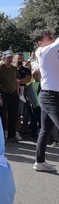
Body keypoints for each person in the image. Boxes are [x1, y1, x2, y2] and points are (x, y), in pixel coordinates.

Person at [32, 29, 59, 172]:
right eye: (50, 37)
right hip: (50, 96)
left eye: (54, 36)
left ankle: (40, 162)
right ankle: (39, 161)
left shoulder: (51, 52)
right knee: (45, 129)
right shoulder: (43, 51)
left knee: (45, 129)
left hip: (50, 95)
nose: (53, 38)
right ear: (40, 43)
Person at [0, 50, 20, 140]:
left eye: (11, 58)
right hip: (4, 94)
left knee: (13, 115)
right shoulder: (1, 68)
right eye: (8, 58)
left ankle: (12, 135)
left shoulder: (14, 69)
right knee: (3, 115)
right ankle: (2, 133)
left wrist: (18, 93)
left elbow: (16, 81)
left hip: (13, 95)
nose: (10, 60)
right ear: (4, 58)